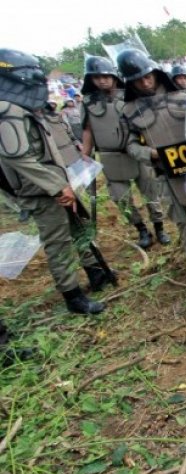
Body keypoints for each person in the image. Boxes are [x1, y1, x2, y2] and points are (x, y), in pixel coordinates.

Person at [0, 48, 109, 314]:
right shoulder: (8, 111)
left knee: (79, 229)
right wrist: (57, 186)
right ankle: (73, 297)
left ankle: (96, 273)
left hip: (58, 185)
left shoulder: (23, 108)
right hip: (42, 192)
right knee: (58, 243)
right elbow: (18, 158)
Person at [118, 49, 186, 278]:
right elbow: (130, 146)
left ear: (156, 73)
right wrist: (150, 153)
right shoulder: (128, 111)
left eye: (148, 76)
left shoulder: (185, 97)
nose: (145, 83)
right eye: (138, 80)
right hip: (165, 172)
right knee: (180, 220)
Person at [80, 55, 170, 250]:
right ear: (91, 80)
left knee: (151, 193)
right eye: (97, 77)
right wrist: (85, 155)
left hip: (136, 151)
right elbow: (87, 130)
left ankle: (159, 227)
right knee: (121, 198)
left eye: (106, 75)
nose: (102, 80)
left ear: (113, 76)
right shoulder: (88, 102)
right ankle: (141, 230)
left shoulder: (129, 95)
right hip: (109, 156)